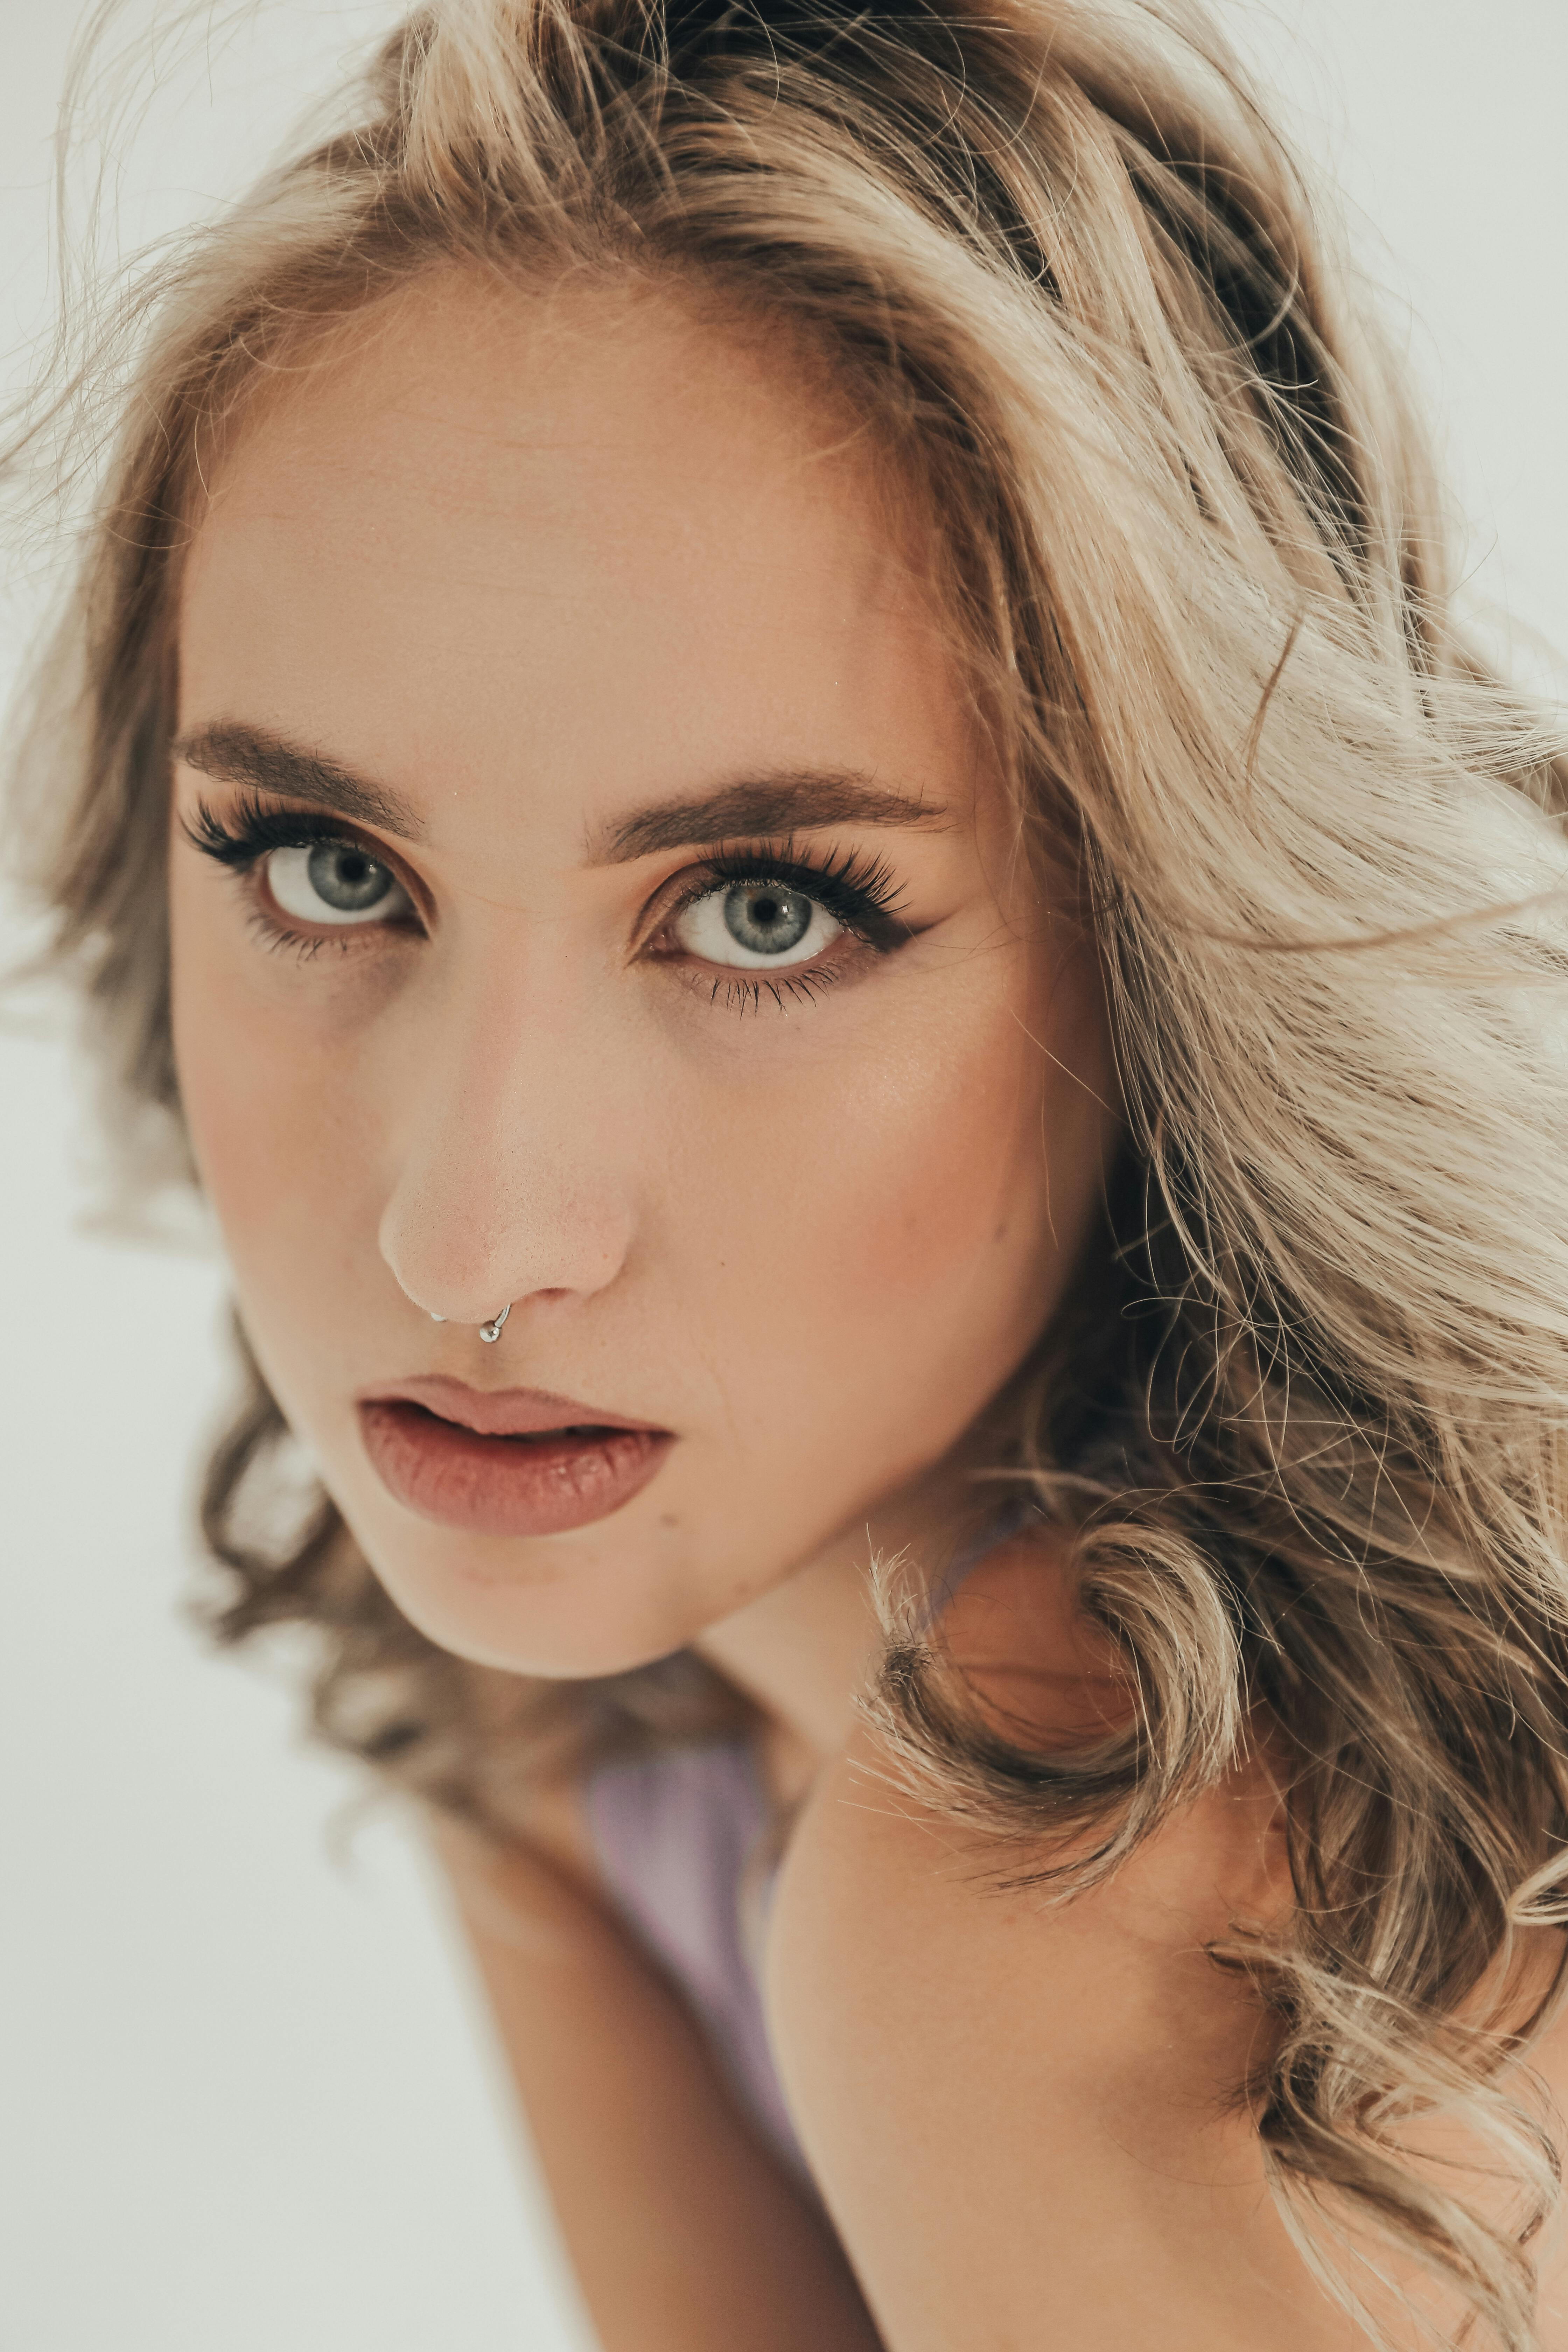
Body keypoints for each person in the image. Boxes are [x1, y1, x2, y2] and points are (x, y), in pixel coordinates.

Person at [7, 0, 1568, 2344]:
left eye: (769, 911)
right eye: (328, 867)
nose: (466, 1243)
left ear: (1166, 954)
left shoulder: (1064, 1869)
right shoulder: (559, 1677)